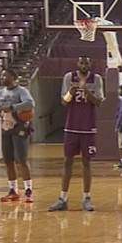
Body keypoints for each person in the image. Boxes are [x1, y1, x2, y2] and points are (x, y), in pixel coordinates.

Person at [48, 55, 104, 212]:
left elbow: (98, 102)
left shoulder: (96, 79)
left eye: (86, 62)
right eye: (81, 62)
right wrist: (71, 93)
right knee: (67, 161)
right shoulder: (68, 77)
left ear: (90, 64)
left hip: (88, 127)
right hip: (71, 126)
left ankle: (87, 198)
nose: (84, 65)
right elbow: (64, 102)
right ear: (77, 63)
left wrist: (88, 93)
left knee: (87, 162)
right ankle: (63, 198)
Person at [0, 69, 35, 202]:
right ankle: (13, 190)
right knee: (8, 161)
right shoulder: (0, 93)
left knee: (22, 160)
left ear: (13, 77)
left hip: (19, 127)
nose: (2, 77)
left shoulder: (21, 91)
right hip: (5, 127)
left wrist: (12, 107)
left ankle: (28, 190)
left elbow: (30, 103)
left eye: (4, 75)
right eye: (1, 75)